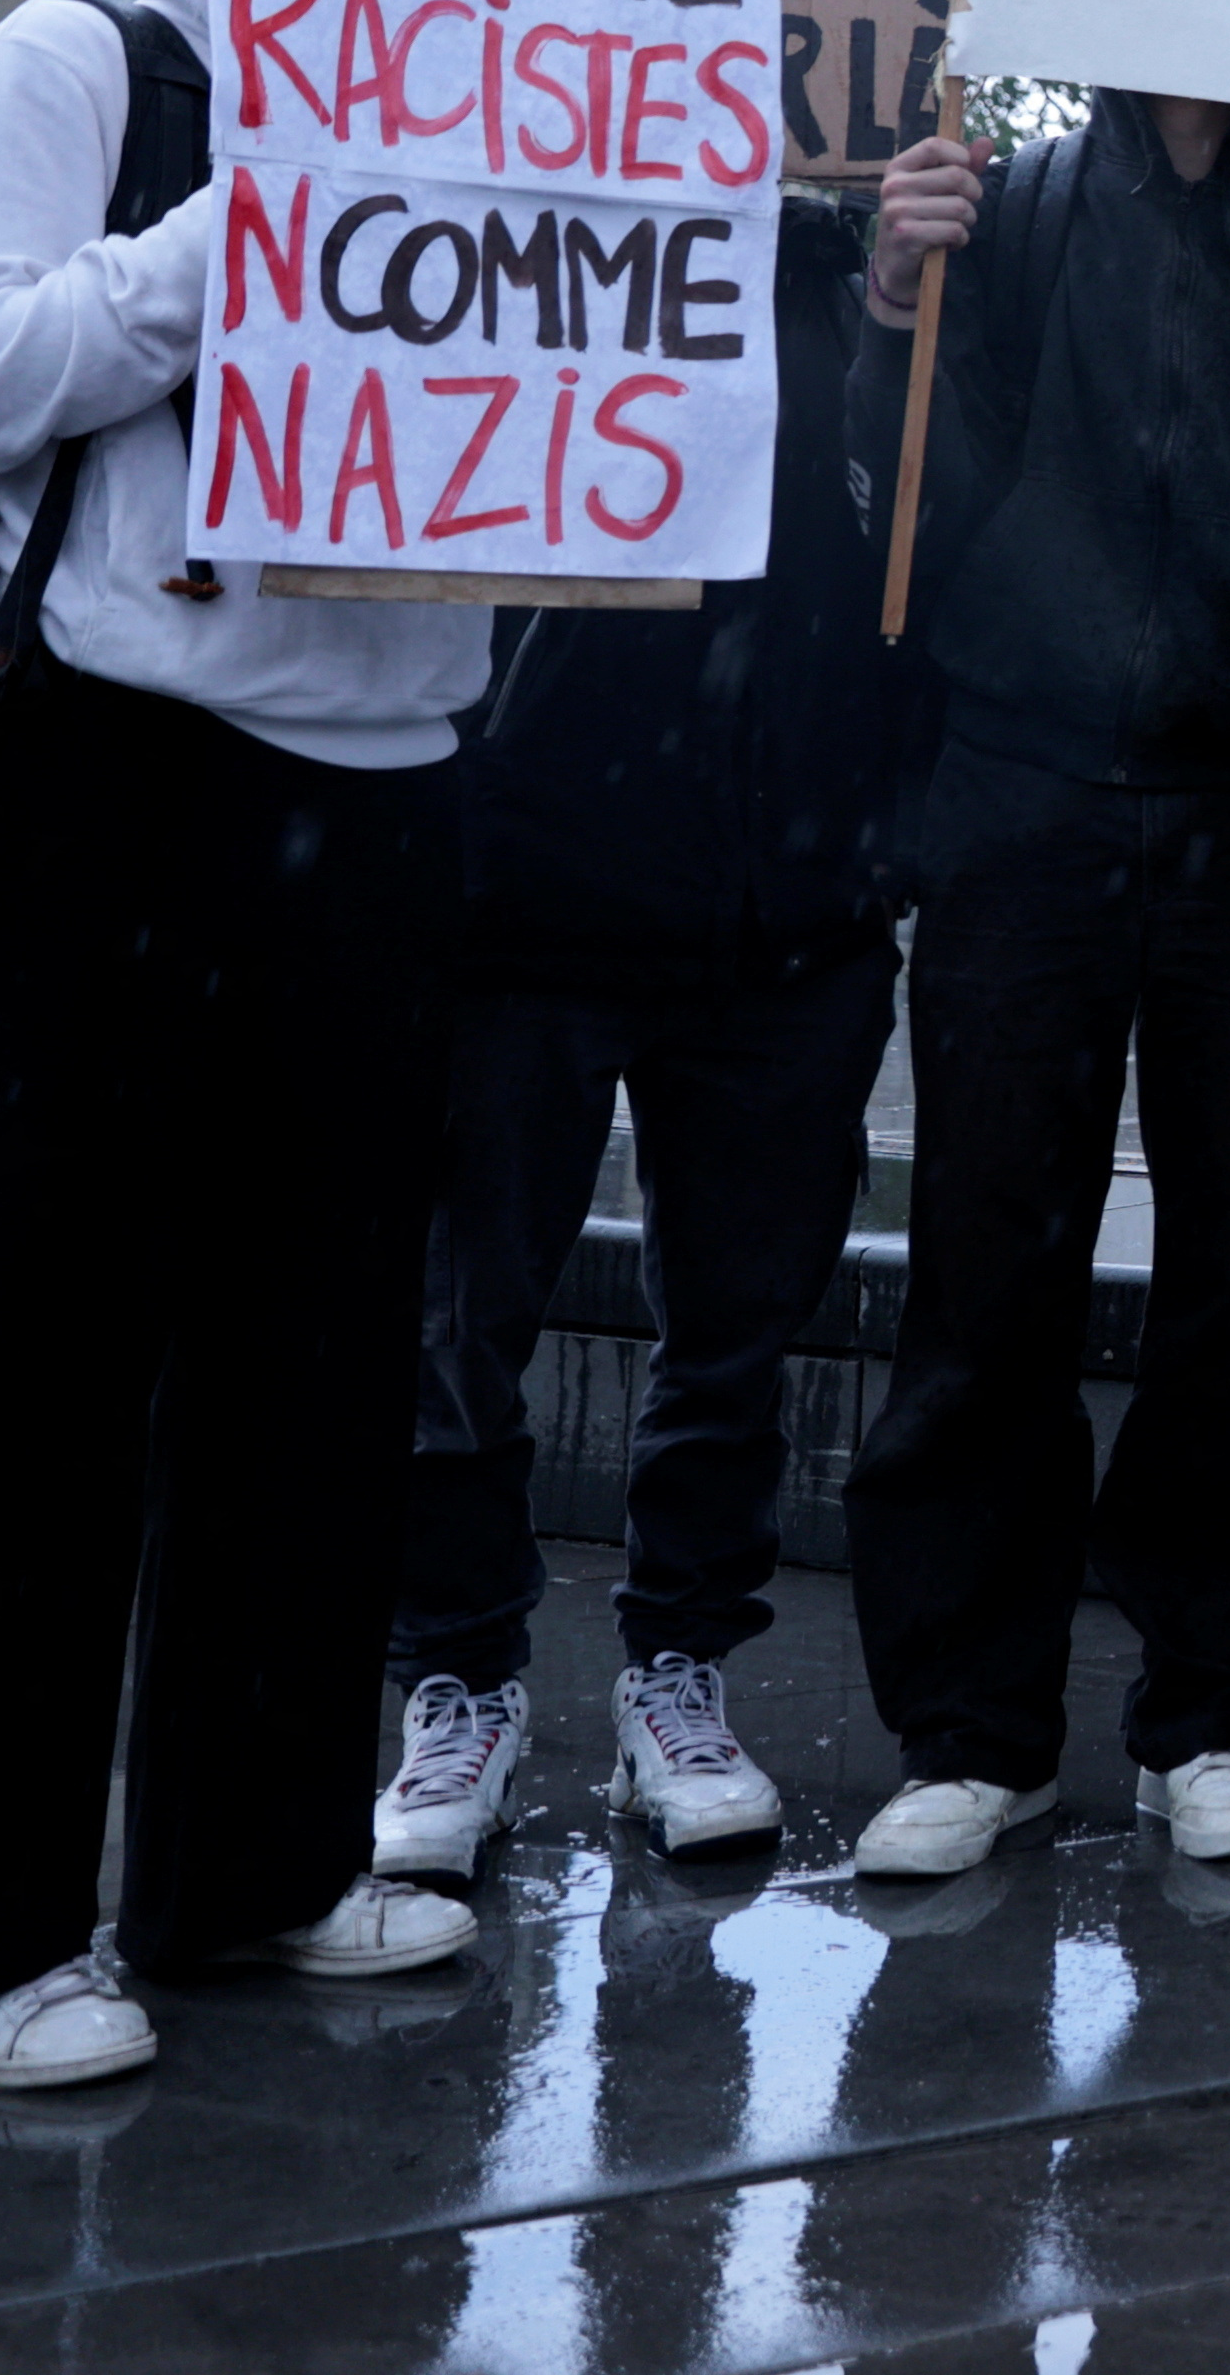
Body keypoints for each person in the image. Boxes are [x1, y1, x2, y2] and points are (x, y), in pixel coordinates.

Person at [0, 0, 483, 2091]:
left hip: (387, 790)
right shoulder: (84, 67)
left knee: (316, 1366)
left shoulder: (513, 118)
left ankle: (255, 1869)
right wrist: (238, 238)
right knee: (31, 1359)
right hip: (108, 779)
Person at [841, 97, 1230, 1877]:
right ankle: (973, 1733)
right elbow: (904, 527)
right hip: (1019, 804)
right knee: (982, 1269)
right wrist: (891, 308)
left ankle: (1201, 1711)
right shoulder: (1001, 216)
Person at [372, 184, 912, 1878]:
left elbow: (946, 535)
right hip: (530, 882)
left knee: (738, 1330)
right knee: (460, 1320)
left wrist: (896, 319)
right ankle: (459, 1681)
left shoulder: (877, 276)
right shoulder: (526, 223)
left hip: (792, 909)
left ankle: (680, 1671)